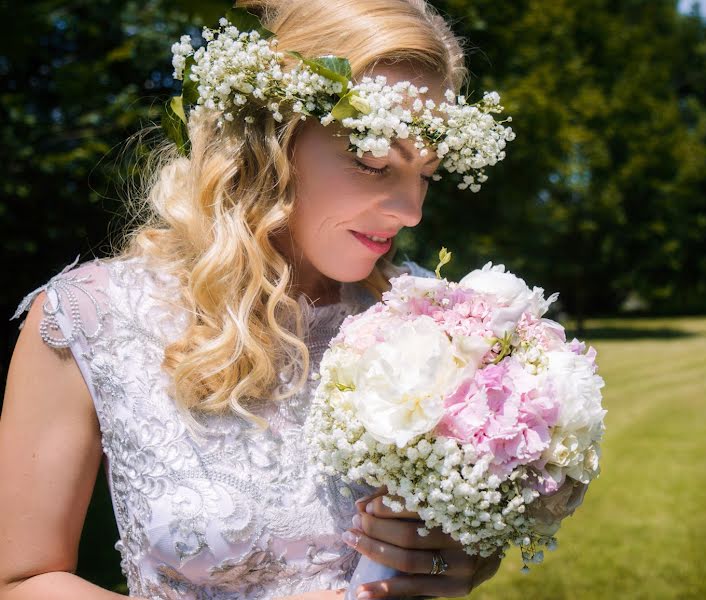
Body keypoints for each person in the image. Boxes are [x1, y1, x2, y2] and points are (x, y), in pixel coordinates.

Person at [0, 1, 575, 598]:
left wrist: (457, 561)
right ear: (270, 142)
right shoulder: (90, 317)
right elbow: (22, 580)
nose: (412, 211)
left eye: (426, 174)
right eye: (373, 162)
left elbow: (445, 549)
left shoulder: (439, 325)